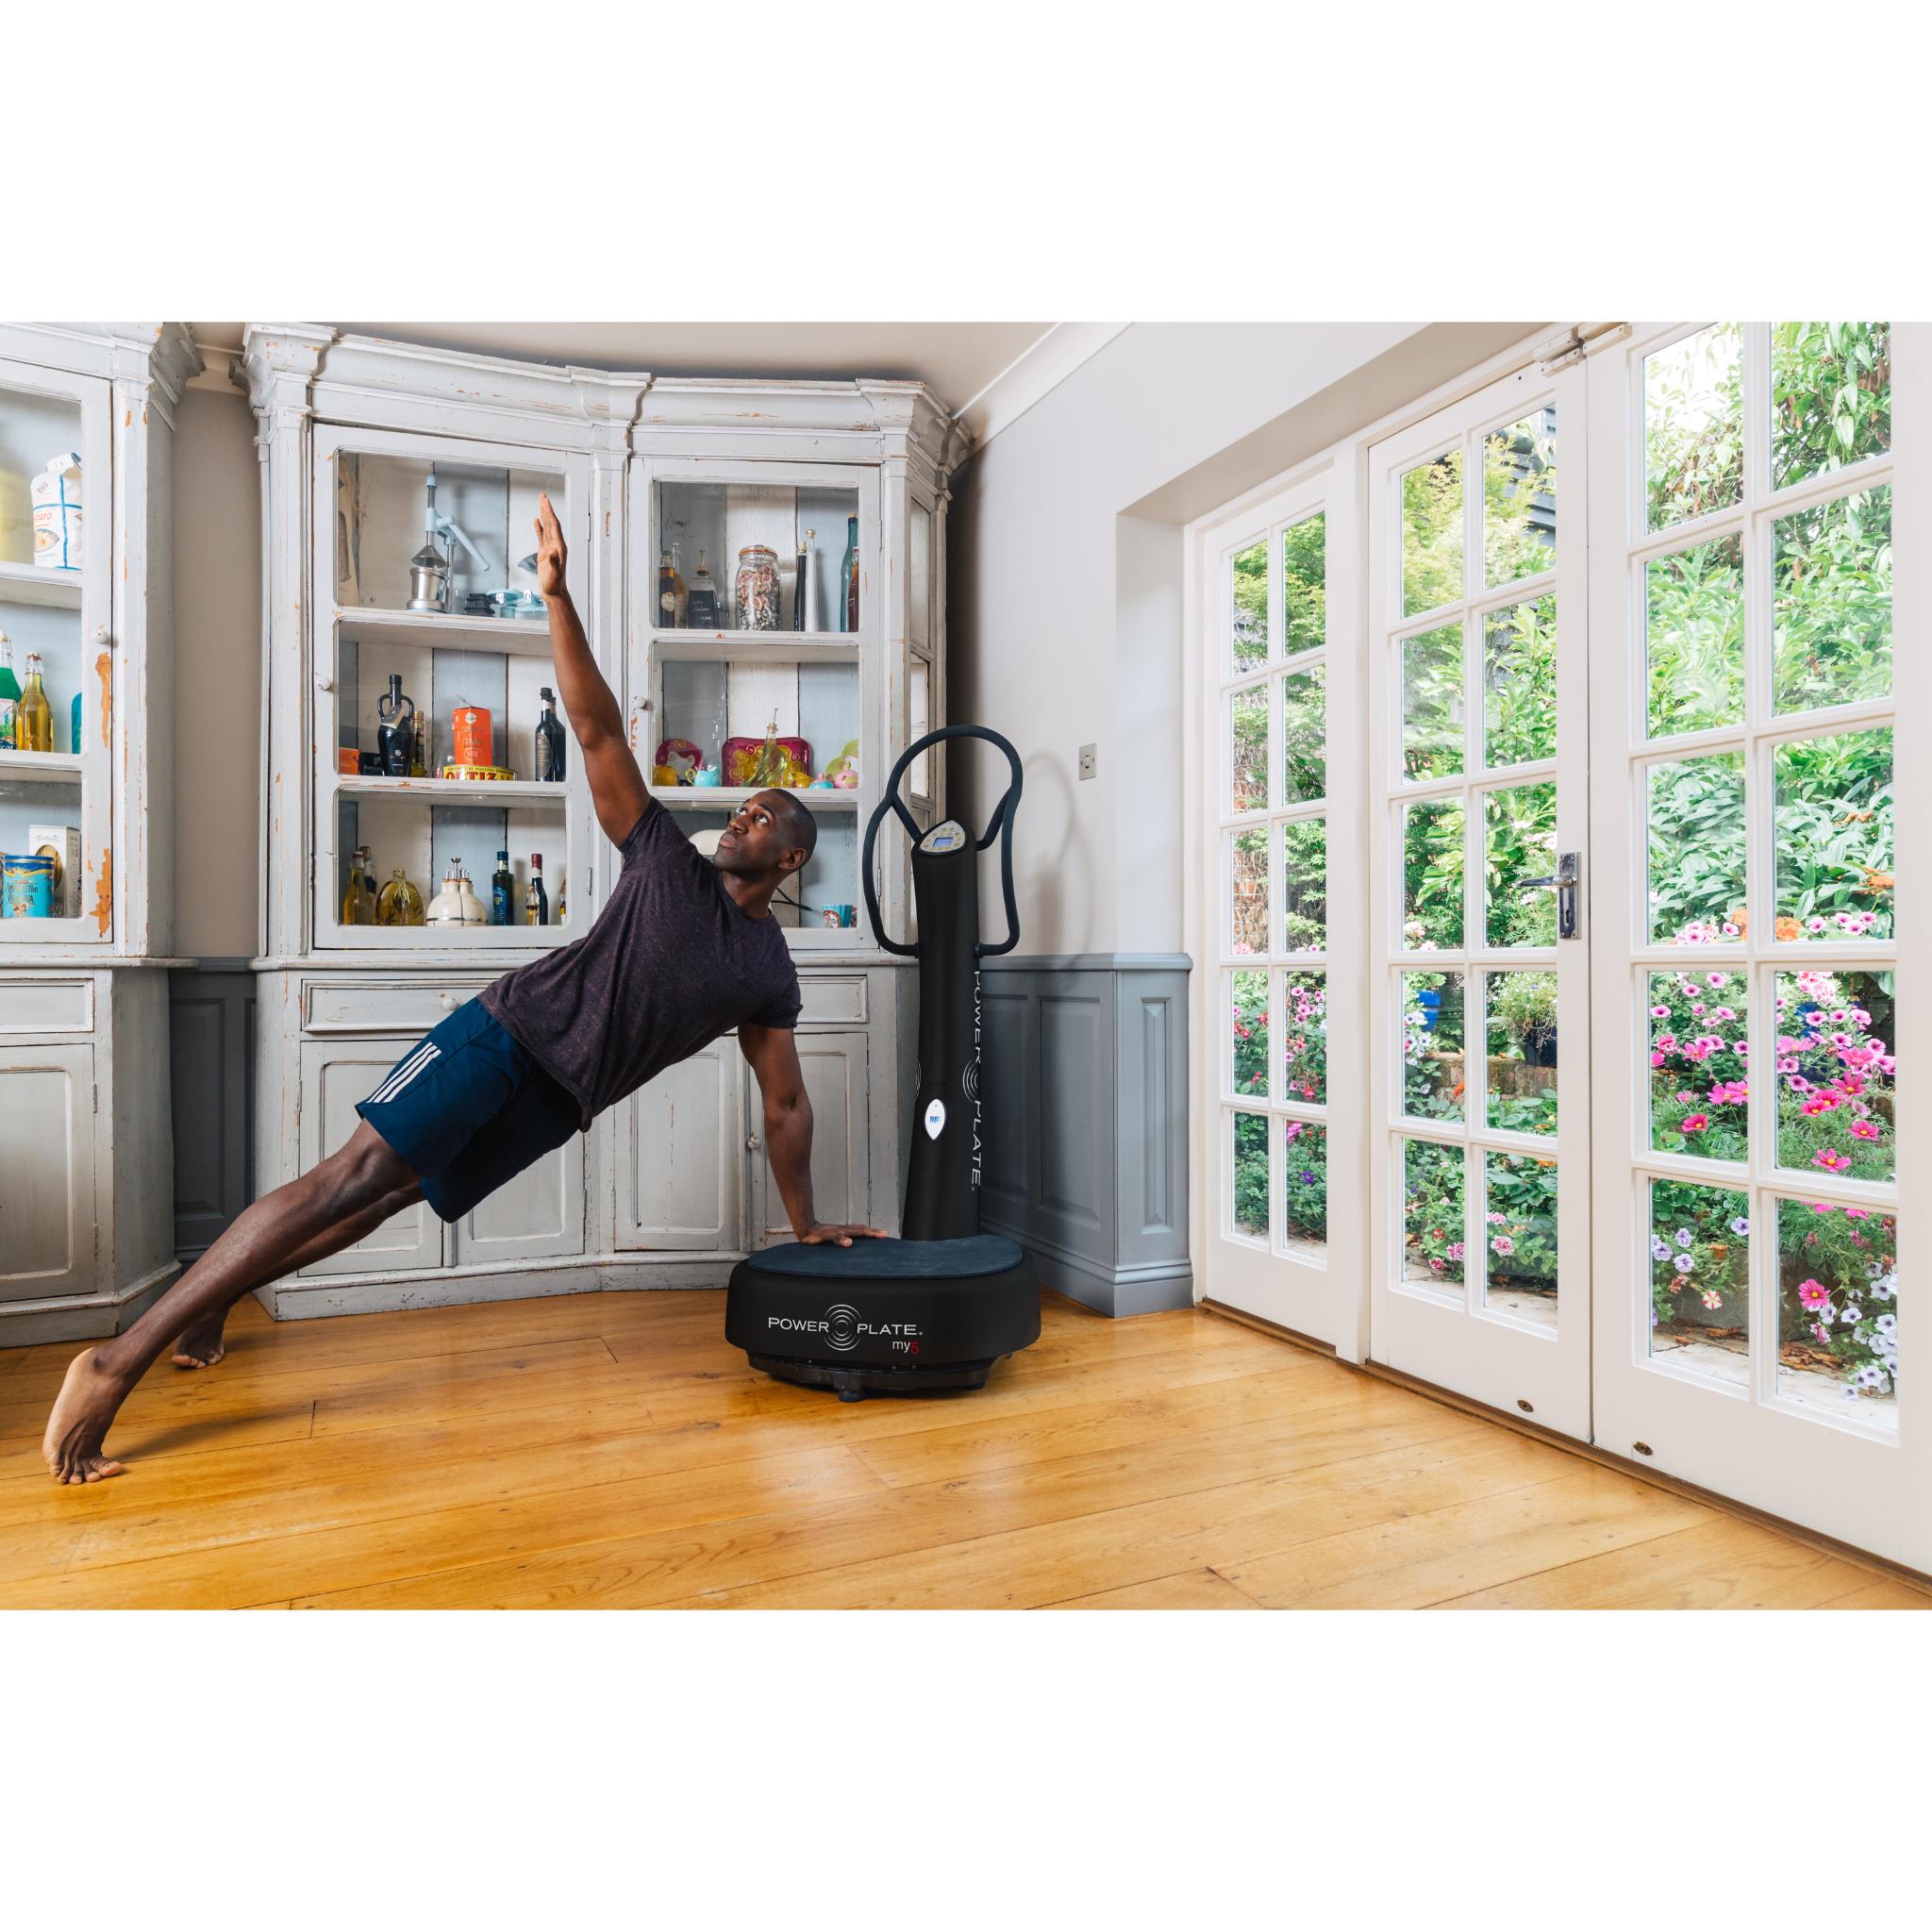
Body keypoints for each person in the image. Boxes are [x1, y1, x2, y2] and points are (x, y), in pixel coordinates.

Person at [43, 495, 882, 1484]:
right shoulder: (664, 859)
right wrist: (557, 596)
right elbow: (595, 725)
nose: (740, 816)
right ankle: (114, 1359)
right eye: (739, 804)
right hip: (502, 1033)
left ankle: (213, 1294)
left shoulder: (766, 968)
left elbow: (782, 1100)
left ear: (791, 853)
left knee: (377, 1202)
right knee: (347, 1178)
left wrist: (805, 1221)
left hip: (555, 1102)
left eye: (762, 812)